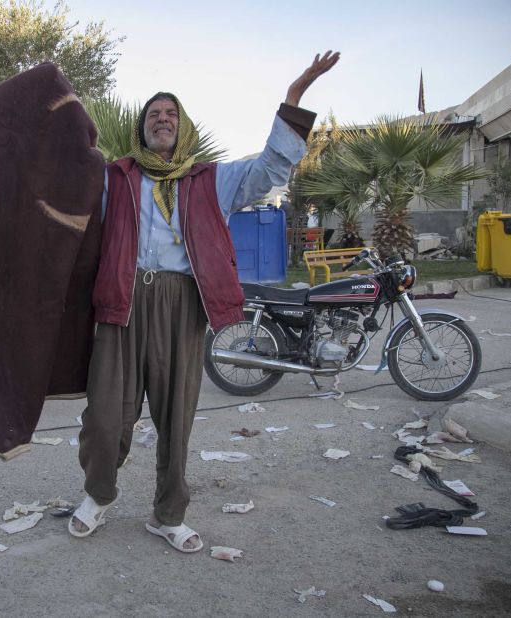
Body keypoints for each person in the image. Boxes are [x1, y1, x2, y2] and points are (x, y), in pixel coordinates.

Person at [69, 51, 340, 553]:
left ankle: (168, 515)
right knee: (106, 416)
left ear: (183, 126)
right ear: (142, 129)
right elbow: (63, 199)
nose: (163, 120)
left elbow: (271, 167)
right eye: (154, 115)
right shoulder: (116, 177)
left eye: (170, 114)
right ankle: (98, 495)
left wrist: (296, 98)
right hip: (121, 303)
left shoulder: (210, 179)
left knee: (177, 417)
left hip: (182, 305)